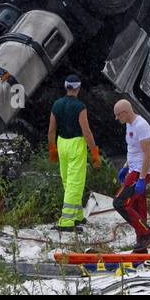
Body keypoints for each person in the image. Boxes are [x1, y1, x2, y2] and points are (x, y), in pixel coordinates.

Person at [47, 74, 100, 230]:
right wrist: (95, 153)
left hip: (61, 143)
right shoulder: (80, 107)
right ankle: (66, 222)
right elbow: (87, 132)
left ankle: (77, 215)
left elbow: (51, 130)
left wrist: (52, 149)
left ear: (66, 86)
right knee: (75, 182)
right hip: (76, 144)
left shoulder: (57, 104)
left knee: (67, 181)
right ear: (78, 88)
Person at [112, 99, 150, 250]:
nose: (117, 119)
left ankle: (147, 233)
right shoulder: (129, 124)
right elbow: (133, 149)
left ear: (125, 112)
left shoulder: (141, 126)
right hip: (134, 168)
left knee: (120, 203)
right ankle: (142, 243)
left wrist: (142, 178)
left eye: (118, 115)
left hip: (140, 170)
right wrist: (125, 167)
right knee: (138, 206)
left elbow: (148, 154)